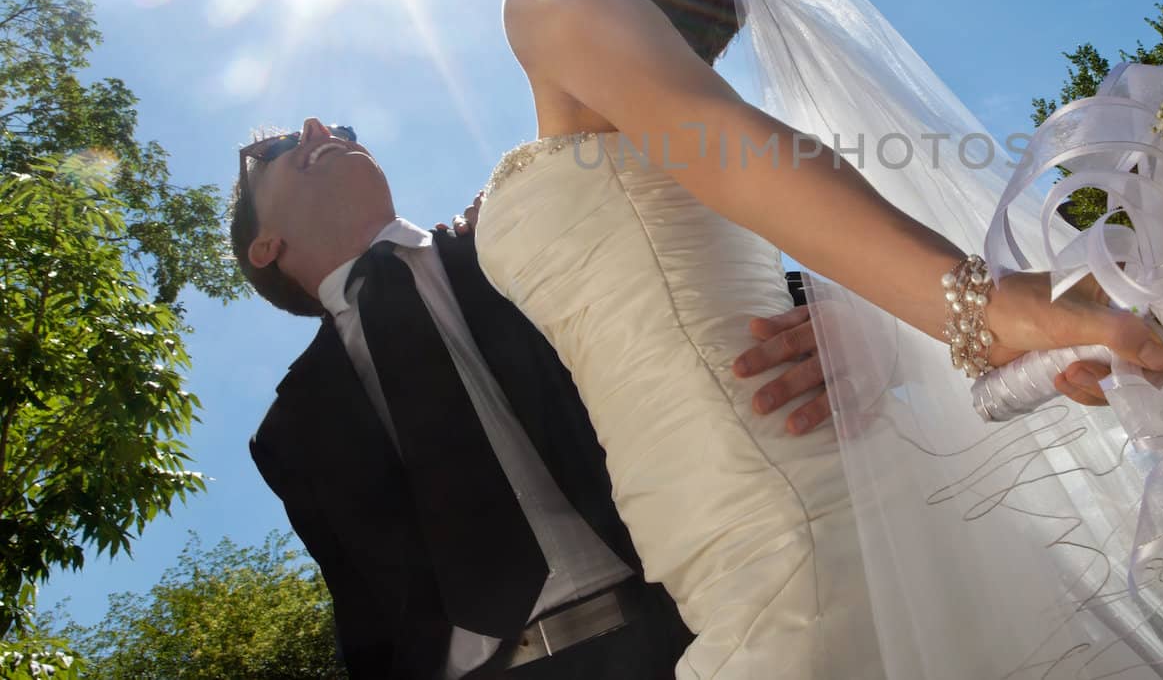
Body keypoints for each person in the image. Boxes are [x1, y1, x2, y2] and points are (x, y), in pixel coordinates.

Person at [473, 0, 1163, 678]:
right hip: (788, 523)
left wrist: (983, 311)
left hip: (780, 543)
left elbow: (733, 151)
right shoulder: (615, 95)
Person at [231, 118, 826, 678]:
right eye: (277, 148)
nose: (320, 128)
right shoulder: (288, 432)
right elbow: (367, 618)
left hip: (690, 630)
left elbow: (685, 288)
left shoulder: (516, 244)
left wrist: (834, 319)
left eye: (342, 130)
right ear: (265, 244)